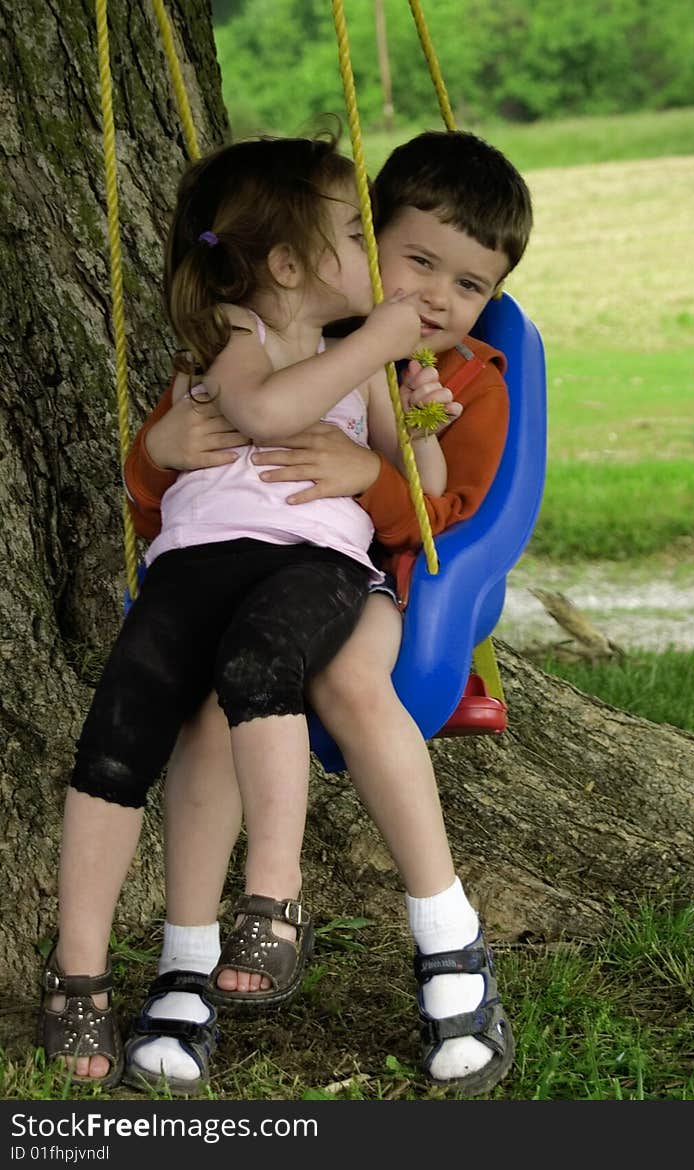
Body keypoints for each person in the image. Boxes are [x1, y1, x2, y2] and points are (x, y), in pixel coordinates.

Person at [37, 131, 456, 1091]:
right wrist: (383, 342)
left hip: (314, 565)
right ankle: (80, 970)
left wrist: (420, 412)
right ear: (286, 266)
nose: (375, 253)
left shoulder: (367, 361)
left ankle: (273, 895)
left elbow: (423, 491)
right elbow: (263, 414)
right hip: (193, 565)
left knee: (263, 666)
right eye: (357, 232)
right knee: (116, 738)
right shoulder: (239, 337)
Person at [121, 130, 533, 1098]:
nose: (436, 298)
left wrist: (369, 476)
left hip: (373, 590)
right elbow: (173, 491)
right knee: (211, 702)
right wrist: (155, 453)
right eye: (416, 261)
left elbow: (452, 520)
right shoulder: (280, 341)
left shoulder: (465, 381)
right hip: (242, 591)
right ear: (351, 246)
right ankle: (186, 970)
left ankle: (449, 940)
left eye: (469, 286)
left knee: (349, 679)